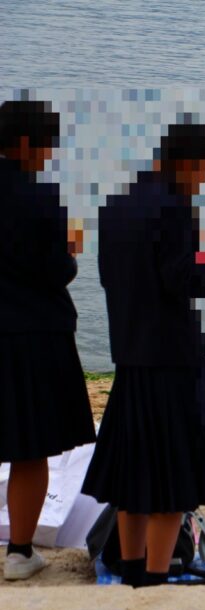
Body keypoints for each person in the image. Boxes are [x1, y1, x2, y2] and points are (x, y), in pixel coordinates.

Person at [81, 123, 205, 587]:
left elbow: (106, 277)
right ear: (188, 162)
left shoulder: (117, 202)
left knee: (131, 476)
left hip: (129, 351)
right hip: (171, 355)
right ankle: (158, 576)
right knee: (170, 480)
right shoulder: (177, 207)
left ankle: (134, 570)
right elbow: (182, 277)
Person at [0, 100, 95, 581]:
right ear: (23, 144)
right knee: (29, 449)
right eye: (45, 144)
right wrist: (70, 250)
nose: (49, 154)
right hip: (33, 335)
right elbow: (57, 270)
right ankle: (19, 551)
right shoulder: (41, 199)